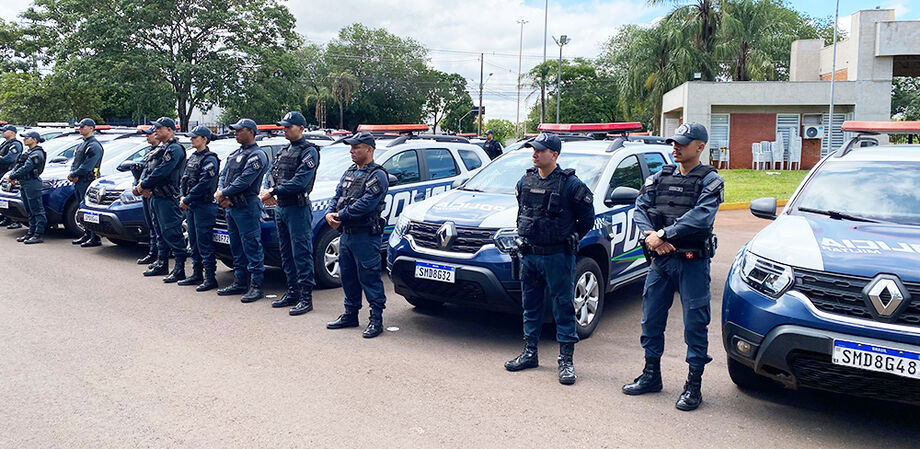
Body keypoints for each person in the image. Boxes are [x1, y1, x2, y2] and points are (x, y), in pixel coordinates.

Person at [621, 122, 723, 411]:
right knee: (651, 319)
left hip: (692, 263)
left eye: (683, 143)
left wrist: (664, 235)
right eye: (674, 142)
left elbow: (701, 217)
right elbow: (640, 207)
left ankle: (694, 385)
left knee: (695, 324)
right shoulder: (660, 176)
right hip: (661, 262)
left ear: (700, 147)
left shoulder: (710, 180)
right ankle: (651, 375)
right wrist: (652, 239)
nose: (675, 147)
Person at [503, 132, 595, 385]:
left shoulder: (571, 184)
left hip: (557, 256)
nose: (534, 154)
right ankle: (530, 352)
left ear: (554, 155)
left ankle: (566, 360)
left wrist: (571, 237)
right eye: (533, 149)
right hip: (530, 255)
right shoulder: (525, 180)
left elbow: (587, 219)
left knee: (563, 307)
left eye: (540, 150)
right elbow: (523, 212)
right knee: (530, 306)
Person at [324, 131, 389, 338]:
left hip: (365, 235)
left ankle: (376, 319)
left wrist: (340, 215)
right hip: (347, 235)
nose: (351, 151)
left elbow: (366, 204)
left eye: (356, 147)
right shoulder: (350, 171)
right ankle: (350, 314)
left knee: (369, 277)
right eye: (351, 147)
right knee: (349, 276)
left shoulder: (377, 175)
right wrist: (330, 212)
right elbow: (337, 195)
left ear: (369, 149)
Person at [260, 112, 320, 315]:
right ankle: (292, 291)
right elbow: (272, 173)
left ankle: (306, 297)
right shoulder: (286, 150)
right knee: (285, 253)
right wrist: (270, 190)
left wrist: (274, 191)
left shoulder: (308, 151)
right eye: (284, 126)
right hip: (281, 208)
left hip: (297, 208)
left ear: (301, 128)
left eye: (289, 126)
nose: (284, 129)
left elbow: (300, 181)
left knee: (301, 253)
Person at [215, 118, 268, 302]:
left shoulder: (257, 155)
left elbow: (245, 180)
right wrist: (222, 194)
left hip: (246, 206)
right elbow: (224, 175)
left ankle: (256, 286)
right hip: (231, 206)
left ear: (251, 132)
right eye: (235, 130)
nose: (236, 133)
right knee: (236, 246)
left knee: (251, 246)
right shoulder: (234, 154)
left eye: (240, 130)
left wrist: (224, 193)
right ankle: (239, 282)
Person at [135, 117, 188, 282]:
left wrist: (143, 185)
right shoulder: (162, 148)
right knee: (159, 231)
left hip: (167, 196)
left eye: (159, 128)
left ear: (170, 130)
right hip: (156, 196)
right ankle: (162, 262)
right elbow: (150, 169)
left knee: (171, 231)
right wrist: (144, 185)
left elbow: (163, 171)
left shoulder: (175, 149)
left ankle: (179, 268)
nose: (155, 131)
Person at [178, 125, 220, 291]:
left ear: (204, 139)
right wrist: (183, 196)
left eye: (195, 137)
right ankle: (197, 274)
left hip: (204, 205)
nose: (192, 139)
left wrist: (187, 198)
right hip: (192, 205)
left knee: (204, 242)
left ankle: (210, 277)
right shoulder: (193, 157)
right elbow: (184, 178)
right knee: (194, 241)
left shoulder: (210, 159)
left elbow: (205, 183)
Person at [68, 118, 105, 246]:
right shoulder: (82, 143)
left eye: (83, 126)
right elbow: (76, 162)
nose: (80, 128)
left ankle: (95, 237)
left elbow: (88, 165)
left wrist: (74, 174)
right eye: (79, 126)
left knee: (89, 210)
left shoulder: (94, 145)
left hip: (88, 180)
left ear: (91, 128)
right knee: (82, 208)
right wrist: (73, 173)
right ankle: (87, 234)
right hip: (80, 180)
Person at [133, 126, 165, 266]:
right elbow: (144, 171)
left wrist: (146, 187)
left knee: (158, 226)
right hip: (145, 191)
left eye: (149, 134)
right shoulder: (150, 152)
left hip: (155, 193)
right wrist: (139, 186)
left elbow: (159, 174)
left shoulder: (163, 152)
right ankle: (153, 253)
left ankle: (159, 256)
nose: (147, 137)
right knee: (151, 225)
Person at [8, 131, 46, 244]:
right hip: (25, 182)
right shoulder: (28, 152)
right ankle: (31, 232)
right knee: (29, 210)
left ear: (34, 139)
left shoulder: (37, 153)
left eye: (27, 138)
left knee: (37, 209)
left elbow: (27, 167)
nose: (24, 140)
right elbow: (18, 164)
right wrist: (14, 175)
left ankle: (38, 234)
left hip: (32, 183)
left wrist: (13, 176)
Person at [0, 124, 24, 228]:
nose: (3, 132)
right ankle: (7, 218)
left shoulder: (16, 144)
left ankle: (16, 220)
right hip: (3, 172)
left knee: (10, 197)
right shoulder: (6, 143)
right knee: (4, 198)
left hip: (9, 172)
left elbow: (10, 159)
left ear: (12, 133)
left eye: (5, 130)